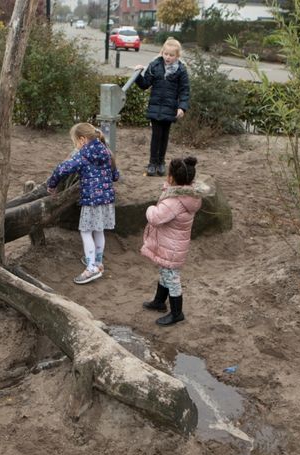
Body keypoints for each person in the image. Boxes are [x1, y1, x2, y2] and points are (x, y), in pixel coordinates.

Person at [46, 123, 119, 285]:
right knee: (99, 230)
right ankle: (98, 262)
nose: (76, 146)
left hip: (91, 200)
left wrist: (52, 185)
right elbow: (116, 176)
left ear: (82, 140)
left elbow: (61, 169)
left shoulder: (83, 155)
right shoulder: (107, 151)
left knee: (86, 232)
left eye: (75, 143)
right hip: (107, 200)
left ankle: (91, 267)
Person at [140, 156, 201, 326]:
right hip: (174, 244)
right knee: (164, 272)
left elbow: (156, 217)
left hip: (171, 246)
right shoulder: (188, 196)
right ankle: (159, 301)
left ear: (171, 178)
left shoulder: (174, 201)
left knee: (171, 277)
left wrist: (150, 207)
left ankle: (176, 313)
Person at [134, 37, 190, 177]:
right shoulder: (154, 66)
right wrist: (137, 75)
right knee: (156, 135)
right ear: (162, 52)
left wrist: (182, 107)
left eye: (171, 55)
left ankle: (161, 163)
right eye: (166, 54)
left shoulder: (181, 70)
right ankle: (152, 163)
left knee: (164, 136)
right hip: (155, 107)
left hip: (170, 108)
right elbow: (145, 84)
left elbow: (184, 90)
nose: (168, 57)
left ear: (177, 56)